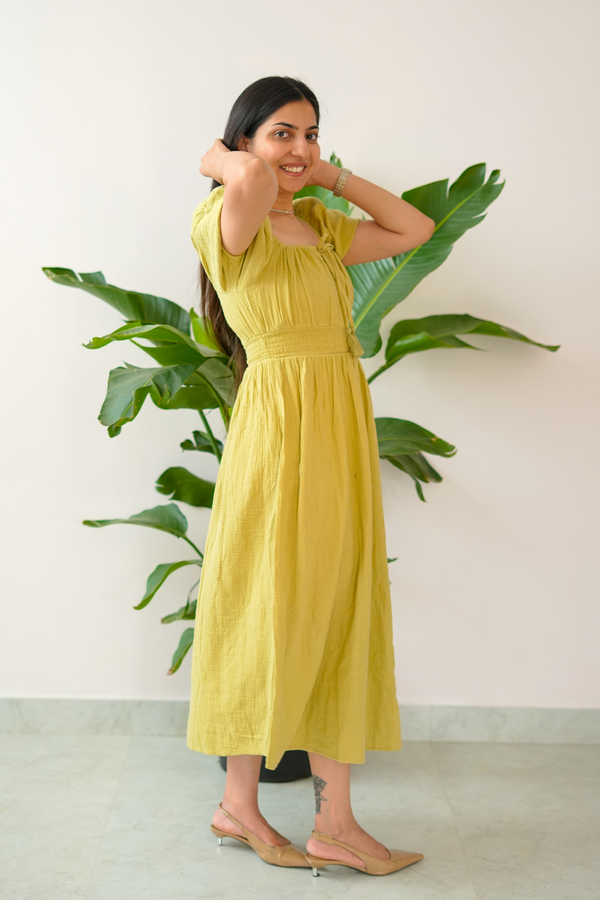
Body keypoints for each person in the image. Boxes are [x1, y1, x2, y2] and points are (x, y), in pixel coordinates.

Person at [186, 75, 435, 877]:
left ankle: (336, 822)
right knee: (266, 604)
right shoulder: (232, 217)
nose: (299, 148)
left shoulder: (322, 227)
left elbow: (414, 226)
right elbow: (252, 182)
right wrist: (222, 162)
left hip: (338, 428)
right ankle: (239, 806)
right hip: (278, 429)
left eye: (311, 133)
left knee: (336, 605)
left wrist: (326, 174)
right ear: (246, 142)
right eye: (283, 132)